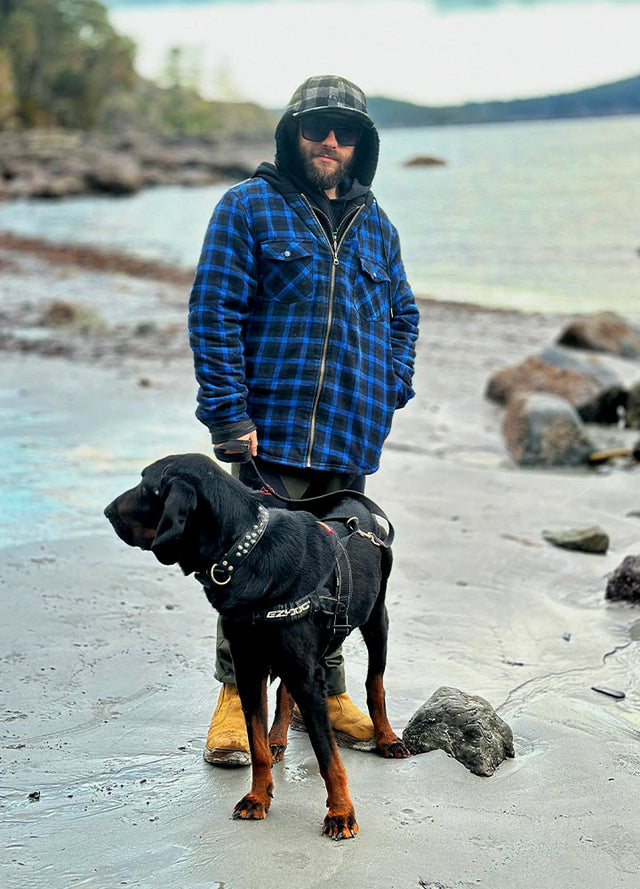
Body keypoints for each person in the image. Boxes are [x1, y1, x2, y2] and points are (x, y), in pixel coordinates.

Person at [188, 74, 419, 766]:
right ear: (293, 133)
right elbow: (214, 312)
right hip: (270, 432)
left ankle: (333, 685)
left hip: (351, 433)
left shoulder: (378, 226)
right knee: (253, 570)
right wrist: (229, 413)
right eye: (316, 127)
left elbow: (404, 316)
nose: (329, 140)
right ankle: (236, 698)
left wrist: (390, 388)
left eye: (345, 131)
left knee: (341, 567)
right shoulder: (247, 208)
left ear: (362, 144)